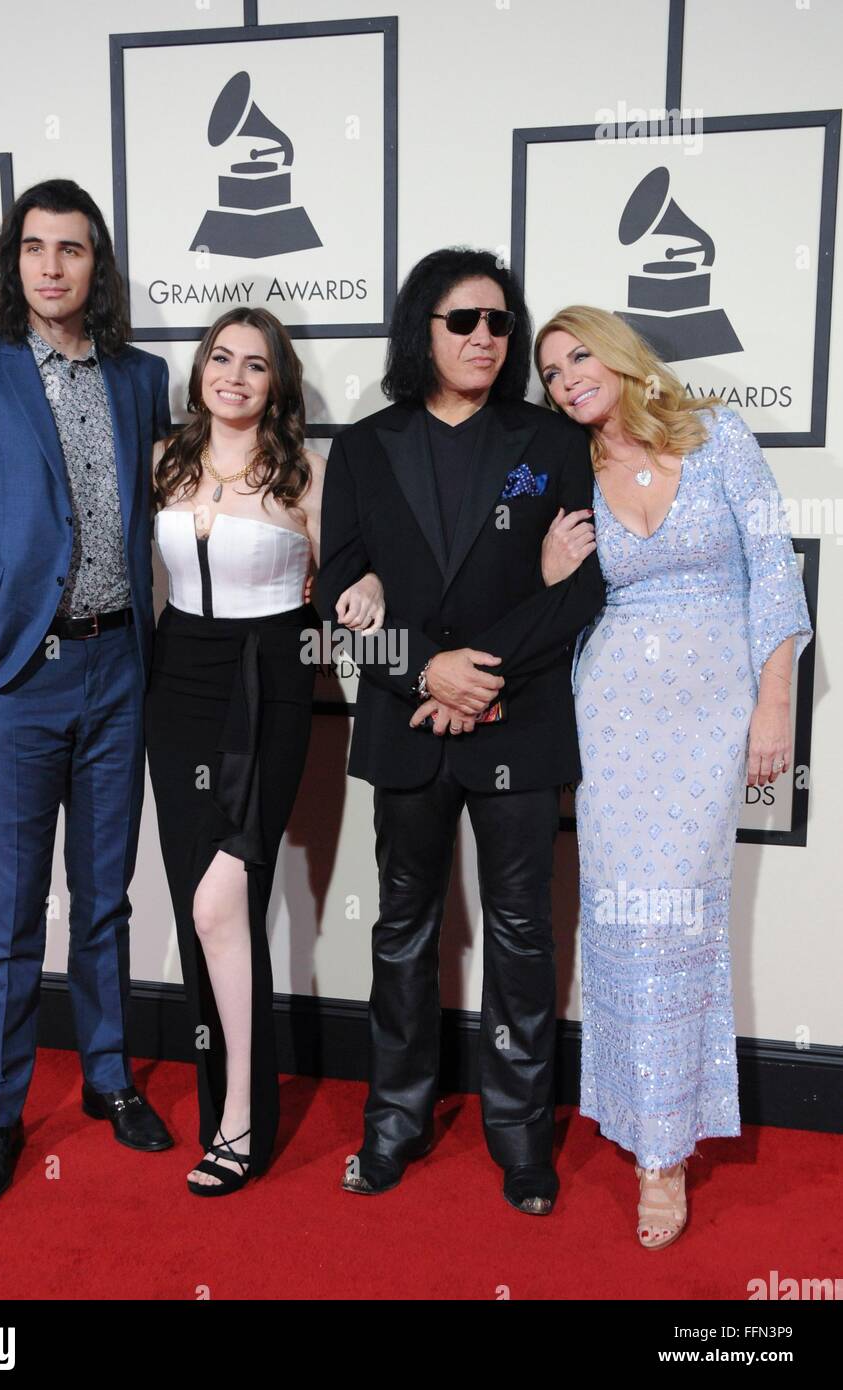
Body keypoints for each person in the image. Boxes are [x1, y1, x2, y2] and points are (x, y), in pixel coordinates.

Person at [317, 248, 606, 1212]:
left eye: (498, 323)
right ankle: (393, 1123)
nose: (486, 337)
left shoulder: (552, 439)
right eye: (462, 321)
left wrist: (474, 676)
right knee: (403, 931)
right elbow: (338, 594)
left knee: (522, 936)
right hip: (407, 727)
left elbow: (583, 591)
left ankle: (520, 1137)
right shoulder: (362, 447)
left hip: (517, 721)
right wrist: (418, 672)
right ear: (421, 331)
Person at [0, 179, 174, 1206]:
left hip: (119, 666)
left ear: (94, 266)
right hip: (17, 679)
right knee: (12, 907)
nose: (53, 266)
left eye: (72, 249)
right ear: (13, 260)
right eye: (35, 247)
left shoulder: (142, 378)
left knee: (104, 895)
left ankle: (109, 1078)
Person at [534, 305, 812, 1247]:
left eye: (577, 355)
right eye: (550, 372)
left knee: (682, 920)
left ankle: (672, 1132)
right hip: (611, 714)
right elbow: (560, 601)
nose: (566, 376)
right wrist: (548, 563)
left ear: (616, 354)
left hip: (709, 713)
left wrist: (772, 703)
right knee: (622, 921)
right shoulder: (571, 473)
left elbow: (773, 568)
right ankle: (654, 1152)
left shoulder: (720, 435)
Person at [145, 306, 383, 1195]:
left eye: (255, 364)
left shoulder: (306, 473)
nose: (234, 376)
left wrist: (362, 595)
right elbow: (105, 553)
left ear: (277, 382)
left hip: (271, 683)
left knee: (219, 902)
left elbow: (356, 568)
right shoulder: (166, 460)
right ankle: (224, 1107)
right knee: (198, 905)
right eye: (220, 358)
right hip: (177, 684)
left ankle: (242, 1118)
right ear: (201, 369)